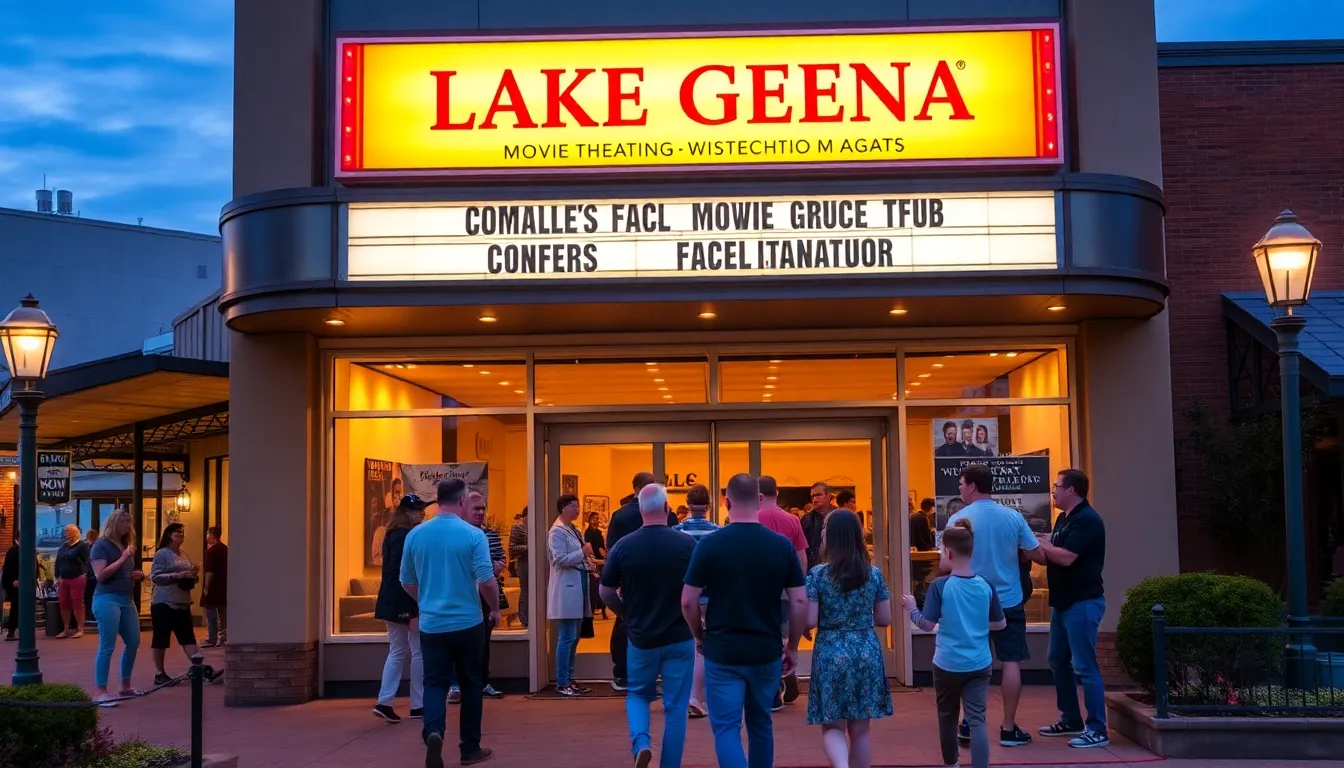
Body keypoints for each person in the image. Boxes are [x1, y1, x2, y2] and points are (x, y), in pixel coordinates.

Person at [682, 474, 807, 768]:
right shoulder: (781, 546)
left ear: (727, 502)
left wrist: (699, 635)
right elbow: (800, 601)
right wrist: (792, 645)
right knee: (761, 725)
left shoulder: (710, 545)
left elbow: (688, 600)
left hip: (723, 649)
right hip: (765, 649)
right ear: (760, 500)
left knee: (726, 728)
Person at [400, 478, 498, 767]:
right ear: (463, 501)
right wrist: (494, 608)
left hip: (432, 624)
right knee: (471, 684)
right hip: (468, 622)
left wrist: (425, 600)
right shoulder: (473, 535)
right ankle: (470, 748)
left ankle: (433, 731)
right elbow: (486, 580)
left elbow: (406, 581)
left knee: (434, 683)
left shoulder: (416, 535)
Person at [947, 463, 1044, 748]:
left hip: (970, 601)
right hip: (1008, 599)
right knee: (1010, 661)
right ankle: (1008, 728)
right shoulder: (1013, 517)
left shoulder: (958, 519)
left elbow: (948, 562)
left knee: (970, 662)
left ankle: (968, 722)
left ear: (972, 486)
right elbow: (1037, 554)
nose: (960, 488)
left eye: (962, 483)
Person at [600, 483, 698, 768]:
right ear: (667, 508)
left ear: (641, 509)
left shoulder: (623, 546)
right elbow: (698, 591)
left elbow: (605, 591)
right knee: (676, 708)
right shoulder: (687, 545)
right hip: (679, 636)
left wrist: (627, 614)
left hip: (641, 637)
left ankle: (641, 742)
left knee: (638, 695)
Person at [903, 519, 1006, 768]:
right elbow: (1000, 624)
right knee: (978, 719)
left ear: (949, 552)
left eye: (941, 551)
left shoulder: (940, 586)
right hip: (979, 662)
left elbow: (926, 624)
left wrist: (912, 608)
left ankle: (952, 764)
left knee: (948, 717)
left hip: (947, 663)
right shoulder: (986, 586)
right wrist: (975, 625)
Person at [806, 509, 893, 768]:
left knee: (833, 726)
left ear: (832, 537)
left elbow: (810, 620)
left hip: (830, 651)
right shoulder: (873, 574)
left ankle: (841, 765)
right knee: (861, 731)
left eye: (825, 530)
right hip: (866, 650)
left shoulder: (818, 575)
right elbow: (885, 618)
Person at [1035, 468, 1109, 749]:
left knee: (1085, 666)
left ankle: (1097, 729)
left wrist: (1040, 543)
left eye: (1057, 486)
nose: (1053, 491)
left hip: (1083, 601)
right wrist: (1032, 547)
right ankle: (1071, 719)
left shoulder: (1087, 520)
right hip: (1063, 602)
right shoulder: (1063, 519)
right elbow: (1050, 557)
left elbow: (1066, 558)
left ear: (1071, 490)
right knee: (1057, 659)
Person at [604, 472, 676, 690]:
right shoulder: (668, 514)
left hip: (630, 580)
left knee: (625, 624)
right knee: (665, 623)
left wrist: (616, 580)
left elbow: (612, 550)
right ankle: (661, 673)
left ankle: (623, 674)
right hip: (664, 579)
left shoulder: (620, 516)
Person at [373, 494, 427, 723]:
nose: (422, 513)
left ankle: (385, 702)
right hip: (404, 601)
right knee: (417, 651)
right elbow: (401, 572)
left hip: (391, 599)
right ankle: (418, 704)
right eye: (417, 510)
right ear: (406, 512)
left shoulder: (392, 533)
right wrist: (413, 607)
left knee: (397, 651)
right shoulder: (405, 536)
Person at [757, 475, 809, 709]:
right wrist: (798, 586)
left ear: (757, 495)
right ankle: (787, 672)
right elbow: (801, 558)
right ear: (776, 493)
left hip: (760, 589)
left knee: (764, 636)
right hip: (786, 587)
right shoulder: (792, 520)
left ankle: (774, 689)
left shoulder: (752, 519)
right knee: (781, 635)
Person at [449, 492, 507, 701]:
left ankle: (483, 682)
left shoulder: (490, 534)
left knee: (483, 642)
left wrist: (495, 566)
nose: (480, 513)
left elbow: (500, 560)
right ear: (464, 509)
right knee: (458, 642)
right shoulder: (456, 535)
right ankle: (455, 684)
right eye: (476, 509)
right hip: (462, 596)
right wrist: (486, 566)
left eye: (483, 508)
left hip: (484, 596)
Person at [673, 483, 719, 719]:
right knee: (702, 647)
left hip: (683, 595)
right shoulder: (718, 533)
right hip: (711, 597)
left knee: (686, 645)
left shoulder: (675, 532)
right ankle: (696, 696)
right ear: (708, 505)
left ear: (688, 504)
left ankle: (688, 695)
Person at [90, 508, 145, 704]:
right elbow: (101, 575)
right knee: (107, 644)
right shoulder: (100, 546)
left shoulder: (125, 545)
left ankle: (125, 686)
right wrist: (122, 558)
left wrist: (137, 575)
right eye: (124, 522)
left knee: (134, 641)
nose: (128, 526)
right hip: (107, 598)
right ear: (113, 523)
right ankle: (101, 691)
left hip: (126, 598)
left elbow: (125, 572)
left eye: (129, 522)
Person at [547, 493, 592, 697]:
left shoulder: (574, 529)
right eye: (574, 506)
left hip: (579, 584)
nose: (578, 509)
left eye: (578, 506)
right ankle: (562, 681)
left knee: (574, 637)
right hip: (566, 588)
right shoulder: (557, 531)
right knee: (566, 637)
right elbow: (559, 559)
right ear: (563, 507)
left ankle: (570, 678)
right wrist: (583, 553)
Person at [149, 523, 204, 685]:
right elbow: (156, 577)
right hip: (164, 603)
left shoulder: (183, 554)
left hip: (183, 602)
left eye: (182, 533)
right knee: (161, 639)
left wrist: (193, 574)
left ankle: (200, 669)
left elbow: (188, 574)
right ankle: (159, 673)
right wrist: (180, 575)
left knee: (188, 638)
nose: (181, 536)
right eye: (177, 533)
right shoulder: (162, 554)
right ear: (169, 536)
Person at [54, 524, 91, 638]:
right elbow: (58, 562)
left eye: (70, 531)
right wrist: (57, 577)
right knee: (63, 603)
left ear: (76, 534)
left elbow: (88, 561)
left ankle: (80, 629)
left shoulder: (82, 546)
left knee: (77, 602)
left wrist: (85, 574)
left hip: (77, 578)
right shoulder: (63, 547)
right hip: (63, 579)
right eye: (66, 531)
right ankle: (66, 629)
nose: (67, 533)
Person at [201, 526, 229, 648]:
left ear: (212, 536)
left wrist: (206, 586)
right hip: (224, 585)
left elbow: (210, 571)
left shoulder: (211, 551)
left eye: (207, 534)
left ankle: (212, 637)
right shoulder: (225, 549)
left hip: (214, 586)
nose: (206, 537)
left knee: (211, 611)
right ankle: (224, 636)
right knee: (223, 612)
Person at [800, 482, 834, 570]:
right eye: (812, 496)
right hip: (813, 566)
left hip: (835, 564)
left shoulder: (838, 516)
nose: (814, 499)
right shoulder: (807, 519)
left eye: (818, 495)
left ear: (828, 496)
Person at [584, 512, 609, 620]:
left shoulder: (599, 532)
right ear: (590, 520)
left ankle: (603, 609)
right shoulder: (588, 532)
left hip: (601, 561)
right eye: (594, 518)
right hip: (593, 561)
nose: (596, 520)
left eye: (597, 518)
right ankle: (592, 609)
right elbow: (588, 547)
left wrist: (604, 554)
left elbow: (602, 546)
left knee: (602, 586)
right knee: (593, 588)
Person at [509, 508, 529, 628]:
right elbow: (512, 548)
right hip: (524, 562)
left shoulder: (536, 526)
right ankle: (524, 619)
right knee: (525, 591)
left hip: (534, 562)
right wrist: (529, 546)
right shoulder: (518, 528)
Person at [2, 533, 18, 641]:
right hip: (14, 585)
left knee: (15, 608)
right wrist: (14, 579)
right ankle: (11, 631)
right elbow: (10, 568)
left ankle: (12, 630)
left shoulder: (16, 550)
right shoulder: (13, 551)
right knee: (15, 607)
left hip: (14, 584)